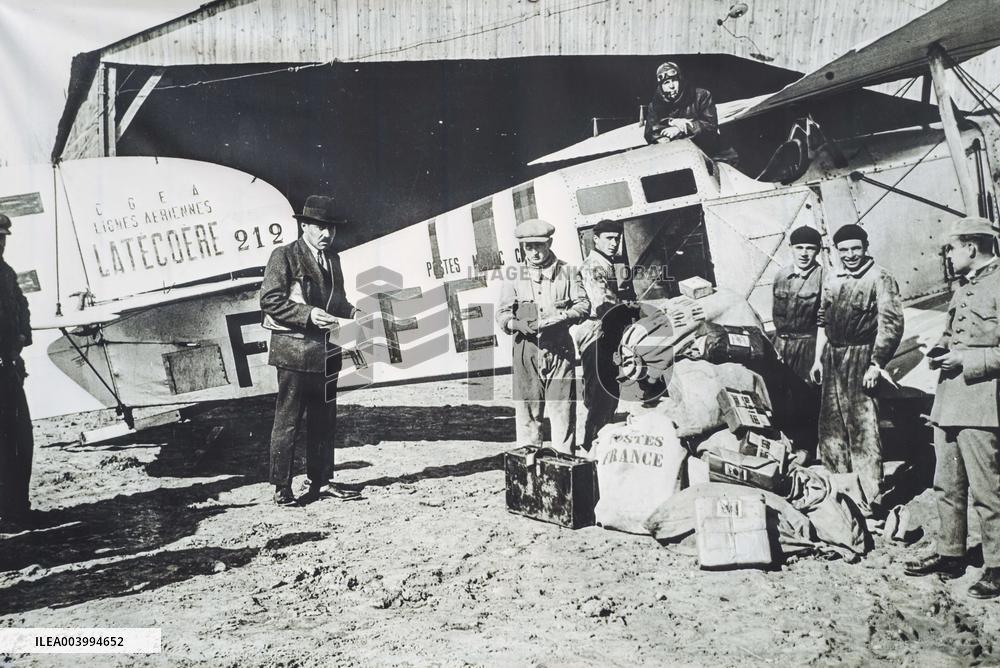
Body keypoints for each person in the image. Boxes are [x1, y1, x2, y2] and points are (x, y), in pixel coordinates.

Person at [904, 217, 1000, 599]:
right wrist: (941, 349)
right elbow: (951, 332)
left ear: (971, 248)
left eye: (951, 248)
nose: (947, 255)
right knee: (947, 484)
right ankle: (950, 554)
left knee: (987, 490)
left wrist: (966, 359)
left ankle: (997, 566)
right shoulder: (963, 289)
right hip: (949, 401)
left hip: (982, 402)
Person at [260, 196, 364, 506]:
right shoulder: (284, 256)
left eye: (331, 228)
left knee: (324, 420)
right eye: (319, 227)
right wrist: (307, 315)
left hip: (326, 352)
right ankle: (282, 487)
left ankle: (322, 481)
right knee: (288, 421)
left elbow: (337, 301)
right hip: (294, 353)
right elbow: (270, 300)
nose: (326, 234)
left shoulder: (333, 259)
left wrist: (355, 312)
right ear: (304, 225)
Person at [810, 223, 903, 515]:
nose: (850, 255)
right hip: (832, 358)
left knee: (863, 429)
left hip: (862, 358)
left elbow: (891, 325)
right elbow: (823, 320)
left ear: (866, 247)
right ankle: (839, 495)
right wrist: (817, 359)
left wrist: (877, 364)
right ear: (836, 251)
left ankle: (871, 499)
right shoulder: (832, 277)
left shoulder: (880, 277)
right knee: (831, 430)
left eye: (855, 248)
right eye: (844, 250)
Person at [497, 219, 590, 454]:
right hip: (526, 350)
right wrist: (517, 324)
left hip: (560, 349)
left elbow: (583, 306)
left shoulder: (568, 272)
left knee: (562, 411)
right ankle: (529, 465)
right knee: (528, 413)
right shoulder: (514, 275)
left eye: (538, 246)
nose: (534, 252)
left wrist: (562, 318)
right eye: (528, 247)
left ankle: (563, 463)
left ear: (549, 243)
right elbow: (502, 314)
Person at [578, 219, 636, 450]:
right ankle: (592, 446)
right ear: (596, 239)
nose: (614, 243)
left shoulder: (604, 263)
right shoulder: (594, 266)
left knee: (606, 392)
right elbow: (603, 305)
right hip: (597, 334)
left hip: (604, 331)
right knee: (602, 395)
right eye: (609, 238)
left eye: (617, 238)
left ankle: (598, 443)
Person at [772, 226, 824, 458]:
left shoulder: (824, 278)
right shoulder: (781, 276)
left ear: (818, 250)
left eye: (810, 248)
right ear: (790, 248)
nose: (804, 253)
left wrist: (818, 358)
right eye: (799, 247)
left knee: (806, 399)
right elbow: (776, 315)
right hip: (780, 345)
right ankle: (785, 446)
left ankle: (806, 450)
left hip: (807, 345)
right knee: (779, 397)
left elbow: (824, 322)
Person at [0, 213, 34, 531]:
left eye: (2, 238)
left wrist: (21, 336)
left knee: (22, 440)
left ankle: (18, 508)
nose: (1, 243)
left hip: (9, 370)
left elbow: (22, 307)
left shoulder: (6, 272)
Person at [643, 61, 739, 166]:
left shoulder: (701, 96)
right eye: (666, 83)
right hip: (677, 156)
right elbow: (650, 132)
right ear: (661, 86)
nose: (671, 86)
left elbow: (710, 126)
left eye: (674, 81)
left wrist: (680, 129)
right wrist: (669, 123)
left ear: (680, 80)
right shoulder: (655, 104)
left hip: (711, 154)